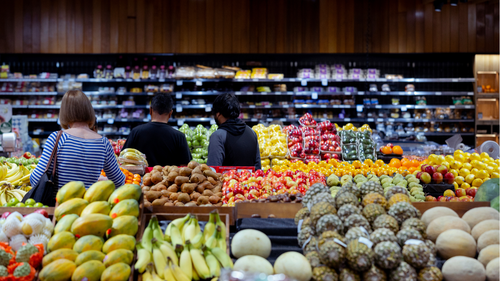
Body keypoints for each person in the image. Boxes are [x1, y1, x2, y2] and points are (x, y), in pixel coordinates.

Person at [30, 90, 126, 190]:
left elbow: (36, 179)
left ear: (64, 113)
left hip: (59, 204)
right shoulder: (104, 143)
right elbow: (119, 181)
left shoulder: (57, 138)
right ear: (89, 110)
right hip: (89, 204)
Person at [122, 92, 191, 166]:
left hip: (140, 177)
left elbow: (123, 158)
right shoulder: (179, 137)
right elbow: (185, 166)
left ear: (150, 110)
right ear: (170, 113)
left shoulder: (136, 132)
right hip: (169, 177)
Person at [207, 93, 261, 169]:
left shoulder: (218, 136)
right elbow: (258, 168)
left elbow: (213, 171)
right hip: (250, 180)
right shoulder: (252, 133)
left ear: (218, 114)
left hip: (226, 180)